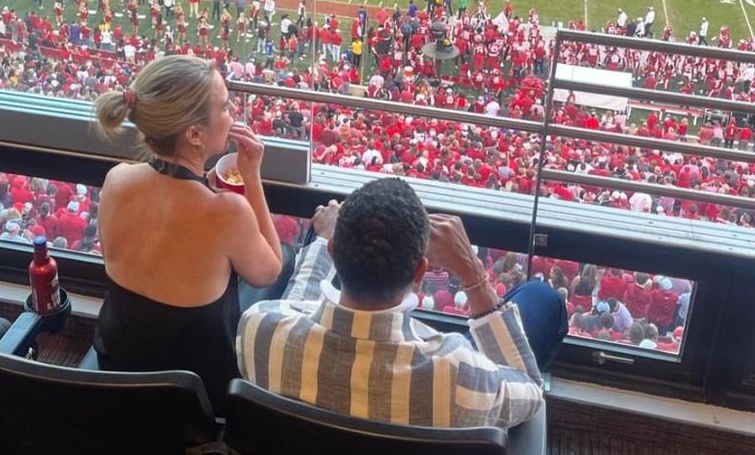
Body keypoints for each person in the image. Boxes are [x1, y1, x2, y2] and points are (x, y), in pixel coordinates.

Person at [238, 178, 566, 429]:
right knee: (543, 299)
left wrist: (322, 240)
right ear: (420, 271)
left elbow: (299, 306)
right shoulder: (460, 375)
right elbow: (530, 389)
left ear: (333, 251)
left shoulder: (258, 330)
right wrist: (473, 272)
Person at [92, 55, 283, 413]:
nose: (234, 112)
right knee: (282, 261)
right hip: (195, 397)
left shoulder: (116, 179)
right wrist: (251, 175)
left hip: (116, 369)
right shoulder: (227, 212)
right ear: (194, 134)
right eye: (225, 106)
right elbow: (269, 272)